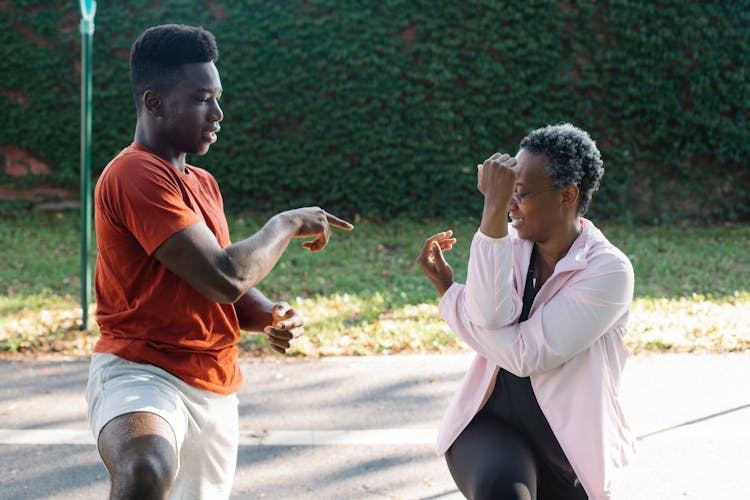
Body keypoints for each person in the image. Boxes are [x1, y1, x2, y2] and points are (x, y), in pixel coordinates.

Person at [85, 24, 352, 499]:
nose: (218, 113)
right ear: (154, 102)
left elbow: (217, 284)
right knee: (145, 467)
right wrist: (285, 223)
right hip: (141, 371)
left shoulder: (203, 183)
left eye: (218, 97)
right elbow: (225, 277)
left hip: (214, 385)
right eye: (201, 98)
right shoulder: (134, 172)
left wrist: (269, 313)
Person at [417, 123, 636, 500]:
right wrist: (492, 209)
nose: (508, 207)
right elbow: (486, 316)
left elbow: (526, 355)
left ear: (567, 195)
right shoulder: (507, 247)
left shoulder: (608, 271)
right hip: (490, 425)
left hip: (572, 455)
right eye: (506, 197)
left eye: (517, 194)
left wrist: (451, 297)